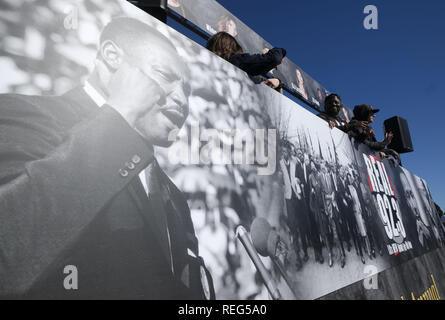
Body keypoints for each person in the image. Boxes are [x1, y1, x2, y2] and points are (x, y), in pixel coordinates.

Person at [0, 17, 214, 300]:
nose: (182, 100)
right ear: (112, 57)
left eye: (187, 91)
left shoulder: (172, 195)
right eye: (164, 75)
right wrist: (120, 115)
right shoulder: (24, 114)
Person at [206, 32, 285, 92]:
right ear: (233, 46)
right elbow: (275, 58)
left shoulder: (208, 65)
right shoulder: (237, 60)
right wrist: (279, 52)